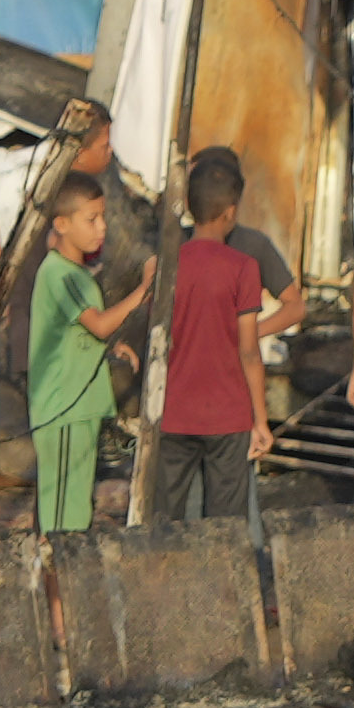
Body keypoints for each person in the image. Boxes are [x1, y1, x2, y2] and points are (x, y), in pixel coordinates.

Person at [136, 148, 289, 529]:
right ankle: (222, 588)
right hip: (228, 414)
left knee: (165, 520)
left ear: (188, 205)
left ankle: (163, 584)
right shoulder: (243, 267)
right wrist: (260, 419)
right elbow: (249, 352)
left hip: (172, 411)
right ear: (231, 212)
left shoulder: (166, 264)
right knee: (226, 525)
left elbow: (157, 336)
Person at [15, 168, 138, 538]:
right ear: (62, 223)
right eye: (92, 219)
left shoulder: (78, 273)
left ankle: (62, 589)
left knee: (76, 507)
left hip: (79, 408)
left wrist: (112, 346)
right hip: (64, 409)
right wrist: (143, 292)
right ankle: (56, 593)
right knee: (62, 518)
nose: (101, 227)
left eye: (102, 218)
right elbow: (97, 323)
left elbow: (80, 330)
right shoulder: (61, 273)